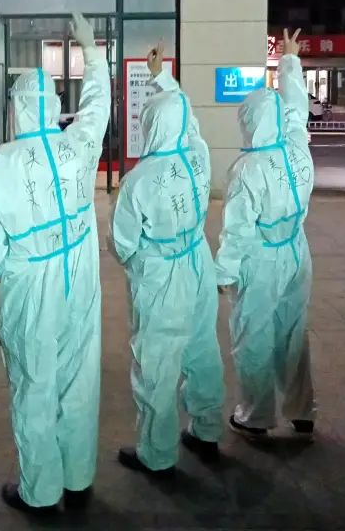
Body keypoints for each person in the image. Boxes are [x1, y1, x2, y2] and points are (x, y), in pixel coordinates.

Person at [0, 13, 110, 512]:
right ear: (51, 106)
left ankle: (41, 491)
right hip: (80, 279)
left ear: (17, 109)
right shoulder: (77, 146)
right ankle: (78, 478)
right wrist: (92, 51)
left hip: (31, 288)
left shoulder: (2, 163)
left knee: (34, 384)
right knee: (79, 378)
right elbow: (97, 106)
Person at [109, 42, 224, 476]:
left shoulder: (139, 180)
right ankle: (207, 430)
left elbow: (122, 243)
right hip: (198, 260)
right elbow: (188, 119)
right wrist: (164, 79)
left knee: (157, 361)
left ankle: (157, 454)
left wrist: (142, 263)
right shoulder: (198, 157)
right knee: (202, 347)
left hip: (161, 275)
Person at [215, 29, 317, 439]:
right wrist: (289, 61)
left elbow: (237, 231)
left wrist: (224, 273)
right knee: (293, 331)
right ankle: (301, 409)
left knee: (253, 334)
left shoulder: (247, 170)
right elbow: (296, 110)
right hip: (296, 250)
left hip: (261, 258)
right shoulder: (296, 149)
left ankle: (255, 415)